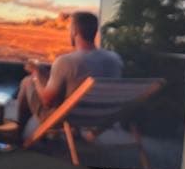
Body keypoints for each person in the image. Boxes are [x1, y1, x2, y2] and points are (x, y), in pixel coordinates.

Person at [15, 11, 123, 140]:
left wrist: (35, 74)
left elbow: (47, 102)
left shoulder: (65, 61)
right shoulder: (115, 59)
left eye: (69, 28)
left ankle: (17, 134)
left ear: (74, 31)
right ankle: (64, 133)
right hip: (102, 116)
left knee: (27, 82)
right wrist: (41, 72)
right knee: (46, 77)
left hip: (68, 118)